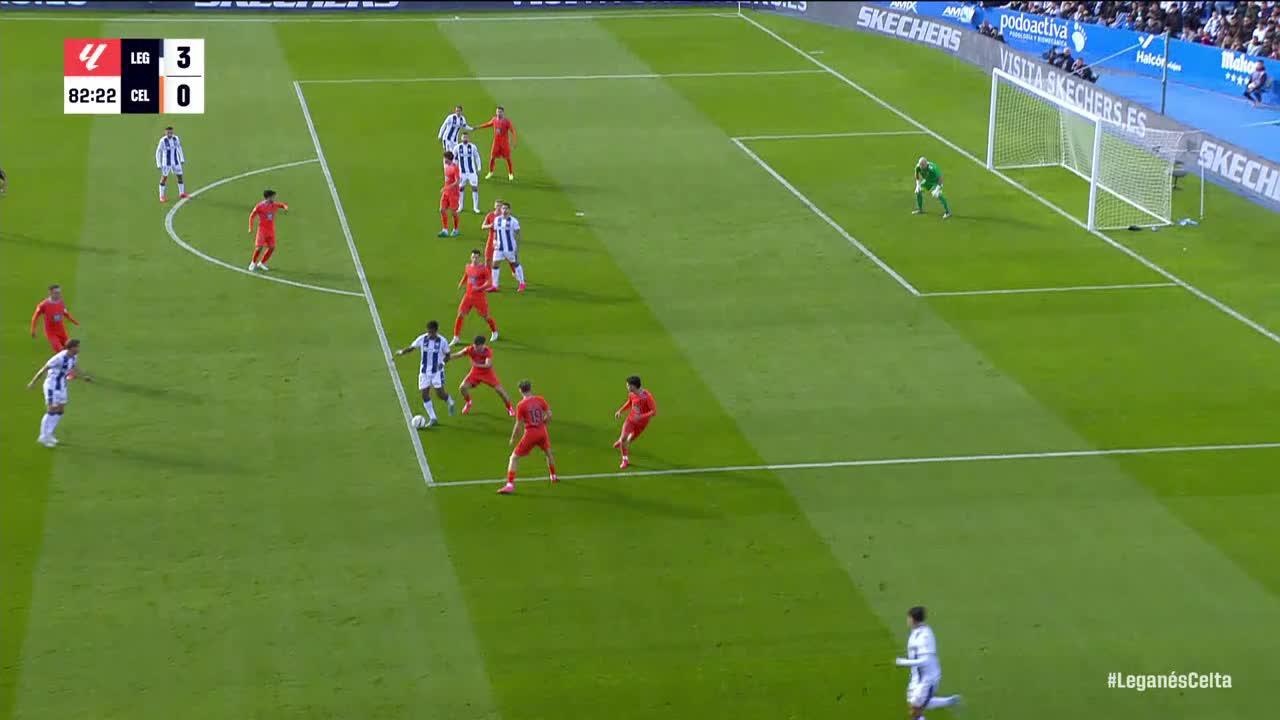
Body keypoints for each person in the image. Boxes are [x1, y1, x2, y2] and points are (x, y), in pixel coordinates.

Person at [895, 606, 962, 719]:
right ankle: (950, 701)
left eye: (908, 618)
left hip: (928, 678)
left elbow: (925, 661)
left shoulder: (924, 636)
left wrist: (903, 662)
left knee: (915, 712)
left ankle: (949, 701)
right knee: (918, 704)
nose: (907, 620)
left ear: (913, 619)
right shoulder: (915, 632)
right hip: (918, 677)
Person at [27, 338, 91, 448]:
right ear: (71, 348)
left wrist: (83, 376)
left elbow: (74, 366)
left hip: (62, 385)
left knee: (60, 410)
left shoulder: (73, 356)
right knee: (51, 409)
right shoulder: (59, 358)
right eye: (77, 346)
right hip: (52, 386)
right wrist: (33, 382)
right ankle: (43, 436)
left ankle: (50, 434)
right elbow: (44, 369)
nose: (79, 349)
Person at [499, 379, 557, 494]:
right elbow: (549, 414)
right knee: (548, 453)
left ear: (520, 391)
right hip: (542, 431)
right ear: (530, 388)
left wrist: (513, 438)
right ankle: (553, 475)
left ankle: (510, 484)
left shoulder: (521, 405)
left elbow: (518, 425)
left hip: (531, 433)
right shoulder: (540, 399)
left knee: (514, 458)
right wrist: (544, 423)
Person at [394, 320, 456, 427]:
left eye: (432, 332)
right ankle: (433, 418)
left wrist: (442, 363)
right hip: (424, 371)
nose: (430, 334)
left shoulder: (442, 341)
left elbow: (448, 355)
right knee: (424, 393)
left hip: (437, 371)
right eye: (429, 332)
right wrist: (401, 352)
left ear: (436, 331)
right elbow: (412, 347)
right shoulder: (422, 338)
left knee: (440, 394)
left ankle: (450, 401)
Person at [451, 335, 514, 417]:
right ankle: (468, 402)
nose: (476, 348)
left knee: (500, 391)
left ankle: (509, 408)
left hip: (488, 373)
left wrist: (476, 365)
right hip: (475, 373)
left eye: (478, 346)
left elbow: (488, 365)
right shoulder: (470, 349)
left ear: (483, 345)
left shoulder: (487, 351)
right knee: (462, 388)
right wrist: (447, 357)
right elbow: (459, 354)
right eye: (475, 345)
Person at [453, 250, 499, 345]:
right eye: (473, 257)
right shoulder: (468, 266)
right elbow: (467, 275)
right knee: (460, 314)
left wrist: (479, 288)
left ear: (480, 258)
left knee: (486, 316)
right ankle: (456, 337)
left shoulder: (484, 269)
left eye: (476, 257)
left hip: (479, 297)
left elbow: (489, 282)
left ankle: (494, 332)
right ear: (471, 257)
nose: (474, 259)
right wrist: (461, 283)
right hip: (468, 296)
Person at [613, 375, 657, 470]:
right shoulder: (631, 394)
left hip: (641, 424)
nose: (627, 387)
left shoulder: (647, 397)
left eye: (628, 385)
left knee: (628, 440)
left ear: (634, 386)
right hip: (630, 420)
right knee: (624, 439)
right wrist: (620, 411)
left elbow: (654, 412)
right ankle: (625, 459)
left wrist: (641, 417)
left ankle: (621, 442)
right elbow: (629, 403)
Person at [31, 284, 80, 353]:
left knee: (70, 349)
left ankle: (68, 363)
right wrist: (33, 330)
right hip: (51, 332)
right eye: (56, 293)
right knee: (60, 350)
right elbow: (35, 317)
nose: (58, 295)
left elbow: (65, 313)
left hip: (62, 330)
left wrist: (74, 322)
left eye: (59, 293)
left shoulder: (61, 302)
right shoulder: (43, 305)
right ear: (50, 293)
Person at [248, 189, 288, 271]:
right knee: (259, 248)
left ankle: (262, 263)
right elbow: (252, 215)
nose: (275, 198)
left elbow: (282, 205)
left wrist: (285, 207)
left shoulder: (274, 205)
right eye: (273, 196)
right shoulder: (260, 206)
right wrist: (250, 227)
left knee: (272, 247)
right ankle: (253, 263)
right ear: (269, 197)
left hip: (271, 230)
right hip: (262, 229)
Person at [490, 201, 527, 292]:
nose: (504, 210)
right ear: (500, 209)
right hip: (499, 247)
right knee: (495, 264)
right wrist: (494, 240)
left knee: (515, 264)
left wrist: (517, 247)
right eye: (503, 208)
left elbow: (518, 234)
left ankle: (522, 283)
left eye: (506, 208)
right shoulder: (497, 219)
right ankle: (495, 285)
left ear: (510, 210)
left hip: (510, 247)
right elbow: (495, 231)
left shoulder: (514, 221)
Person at [478, 105, 517, 181]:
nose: (498, 113)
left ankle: (510, 173)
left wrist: (514, 141)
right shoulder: (494, 119)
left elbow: (513, 131)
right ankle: (490, 172)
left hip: (504, 143)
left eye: (500, 112)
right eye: (497, 111)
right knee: (492, 158)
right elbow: (487, 124)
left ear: (503, 113)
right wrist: (478, 127)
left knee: (508, 158)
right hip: (496, 143)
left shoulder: (507, 121)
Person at [155, 126, 188, 203]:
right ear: (165, 132)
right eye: (168, 132)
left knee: (180, 176)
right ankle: (161, 196)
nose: (170, 133)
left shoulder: (175, 138)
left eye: (171, 132)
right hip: (166, 163)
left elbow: (179, 147)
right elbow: (158, 152)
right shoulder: (162, 141)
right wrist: (158, 163)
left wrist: (182, 158)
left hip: (176, 162)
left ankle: (182, 193)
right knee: (164, 178)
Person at [454, 131, 484, 214]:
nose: (465, 138)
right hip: (462, 172)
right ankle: (460, 206)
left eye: (466, 137)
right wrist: (455, 170)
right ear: (461, 138)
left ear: (469, 138)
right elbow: (455, 159)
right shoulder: (457, 147)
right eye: (464, 137)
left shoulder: (473, 147)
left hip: (472, 172)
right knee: (461, 188)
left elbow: (477, 157)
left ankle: (475, 207)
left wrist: (479, 167)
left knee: (474, 188)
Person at [439, 150, 462, 238]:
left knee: (453, 212)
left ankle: (456, 229)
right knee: (442, 209)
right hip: (446, 193)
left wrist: (447, 187)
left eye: (445, 158)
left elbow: (458, 181)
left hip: (453, 193)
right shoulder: (447, 167)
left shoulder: (455, 168)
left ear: (448, 159)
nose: (444, 160)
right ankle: (445, 230)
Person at [480, 198, 503, 268]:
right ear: (494, 206)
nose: (498, 208)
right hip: (491, 240)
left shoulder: (504, 217)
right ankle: (487, 277)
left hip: (501, 241)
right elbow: (483, 226)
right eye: (497, 206)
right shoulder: (490, 215)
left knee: (499, 261)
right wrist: (490, 225)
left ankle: (516, 273)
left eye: (500, 206)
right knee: (487, 259)